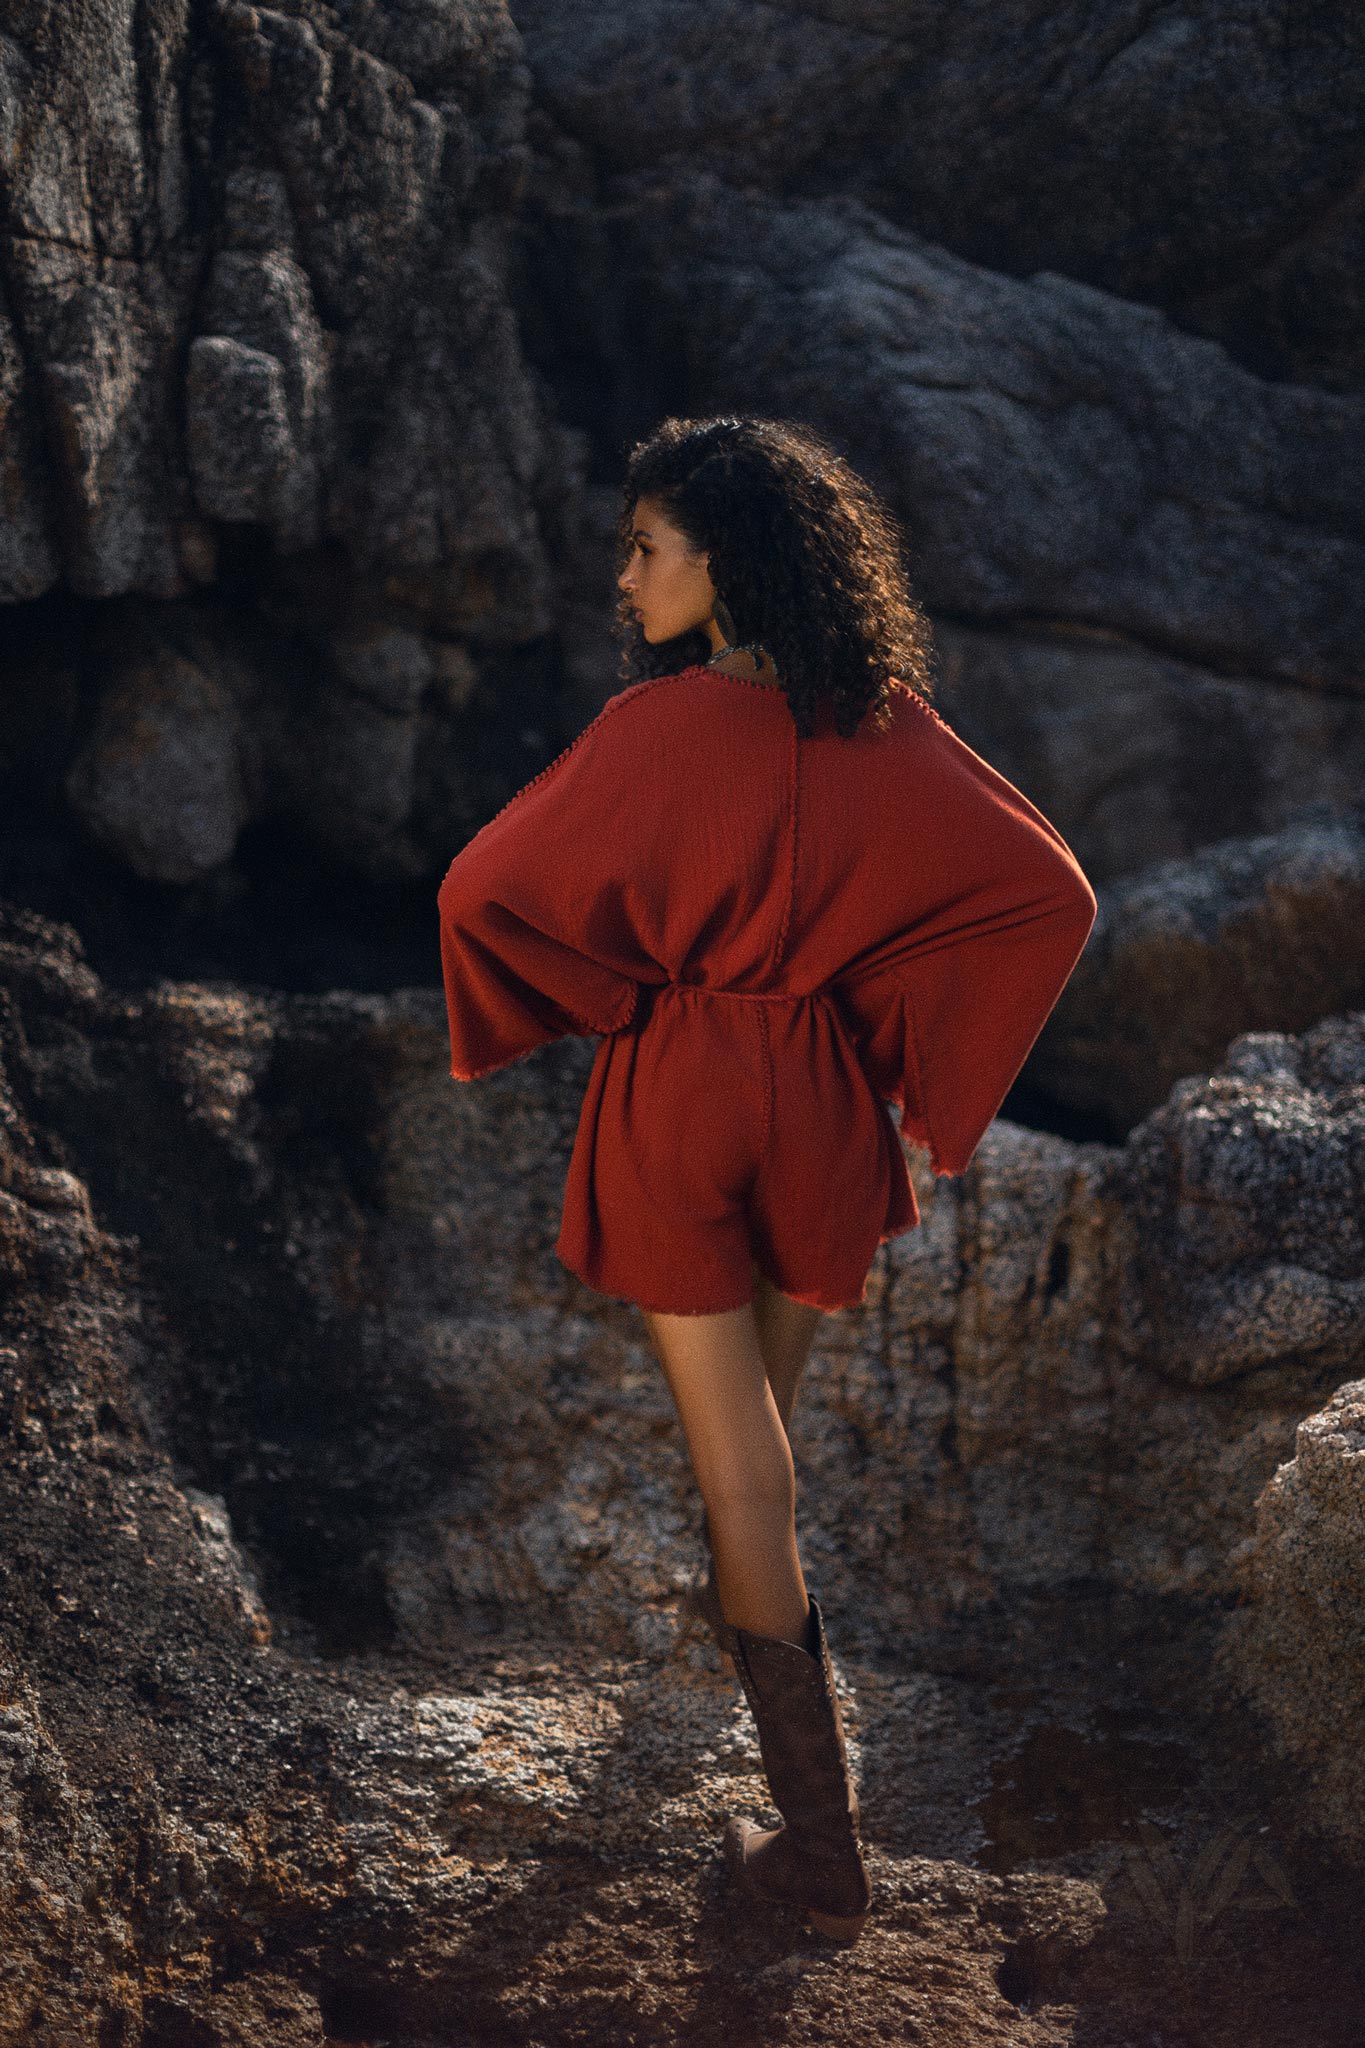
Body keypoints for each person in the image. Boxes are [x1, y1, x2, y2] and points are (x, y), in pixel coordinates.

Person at [437, 414, 1097, 1946]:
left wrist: (617, 994)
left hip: (683, 1090)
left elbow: (483, 884)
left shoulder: (650, 729)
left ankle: (817, 1853)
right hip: (817, 1099)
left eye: (644, 550)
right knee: (763, 1449)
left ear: (719, 562)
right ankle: (750, 1626)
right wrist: (886, 1029)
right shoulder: (882, 721)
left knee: (745, 1474)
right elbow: (1042, 896)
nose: (623, 580)